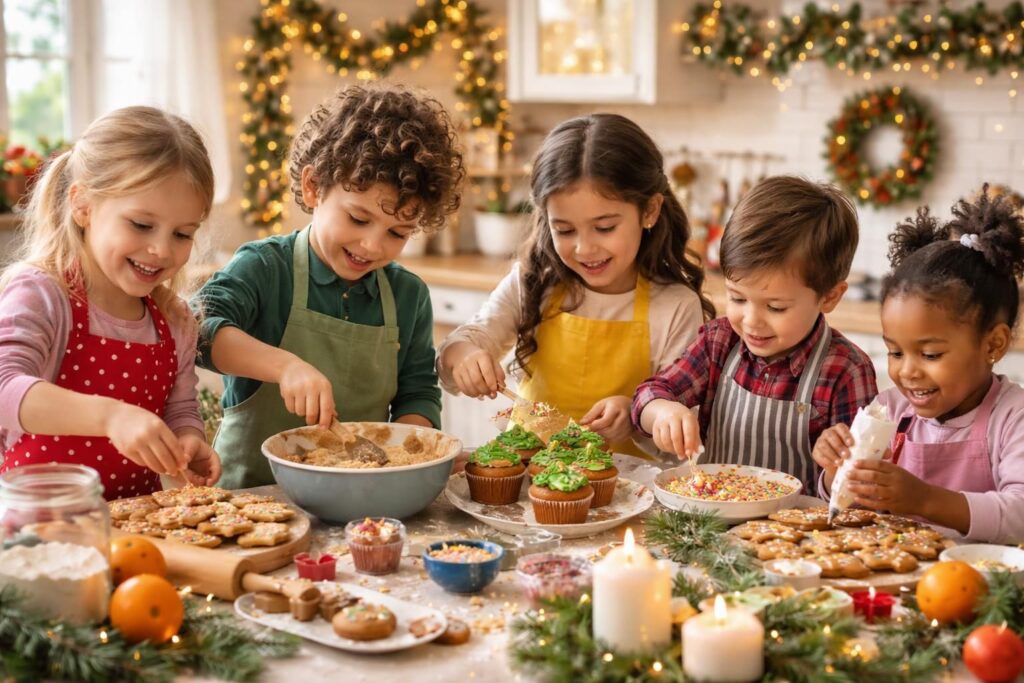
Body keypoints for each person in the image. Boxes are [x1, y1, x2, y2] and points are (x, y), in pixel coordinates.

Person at [195, 84, 464, 488]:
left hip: (360, 498)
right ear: (313, 186)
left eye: (398, 232)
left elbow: (417, 394)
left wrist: (409, 459)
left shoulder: (407, 296)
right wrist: (285, 366)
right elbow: (199, 330)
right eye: (358, 219)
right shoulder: (265, 269)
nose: (372, 246)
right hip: (250, 498)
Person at [437, 114, 713, 458]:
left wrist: (636, 416)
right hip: (526, 479)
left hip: (627, 485)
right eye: (565, 230)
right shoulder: (533, 282)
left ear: (650, 210)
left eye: (605, 227)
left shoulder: (675, 306)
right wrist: (464, 356)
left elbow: (682, 435)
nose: (585, 249)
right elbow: (459, 347)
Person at [0, 106, 221, 499]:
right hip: (41, 523)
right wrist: (110, 416)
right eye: (141, 225)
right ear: (83, 206)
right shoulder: (43, 294)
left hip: (138, 524)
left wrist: (188, 439)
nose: (161, 249)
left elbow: (180, 407)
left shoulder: (174, 318)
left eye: (182, 234)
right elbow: (5, 387)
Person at [632, 176, 876, 490]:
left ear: (829, 297)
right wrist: (663, 411)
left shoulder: (846, 370)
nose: (751, 321)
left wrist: (836, 469)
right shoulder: (719, 342)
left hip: (797, 522)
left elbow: (854, 491)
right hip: (710, 515)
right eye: (737, 298)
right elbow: (648, 395)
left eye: (775, 307)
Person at [813, 190, 1024, 543]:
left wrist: (924, 499)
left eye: (930, 355)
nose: (907, 372)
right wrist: (837, 472)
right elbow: (847, 507)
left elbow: (1019, 514)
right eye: (895, 353)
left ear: (993, 344)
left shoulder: (1013, 417)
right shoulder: (890, 410)